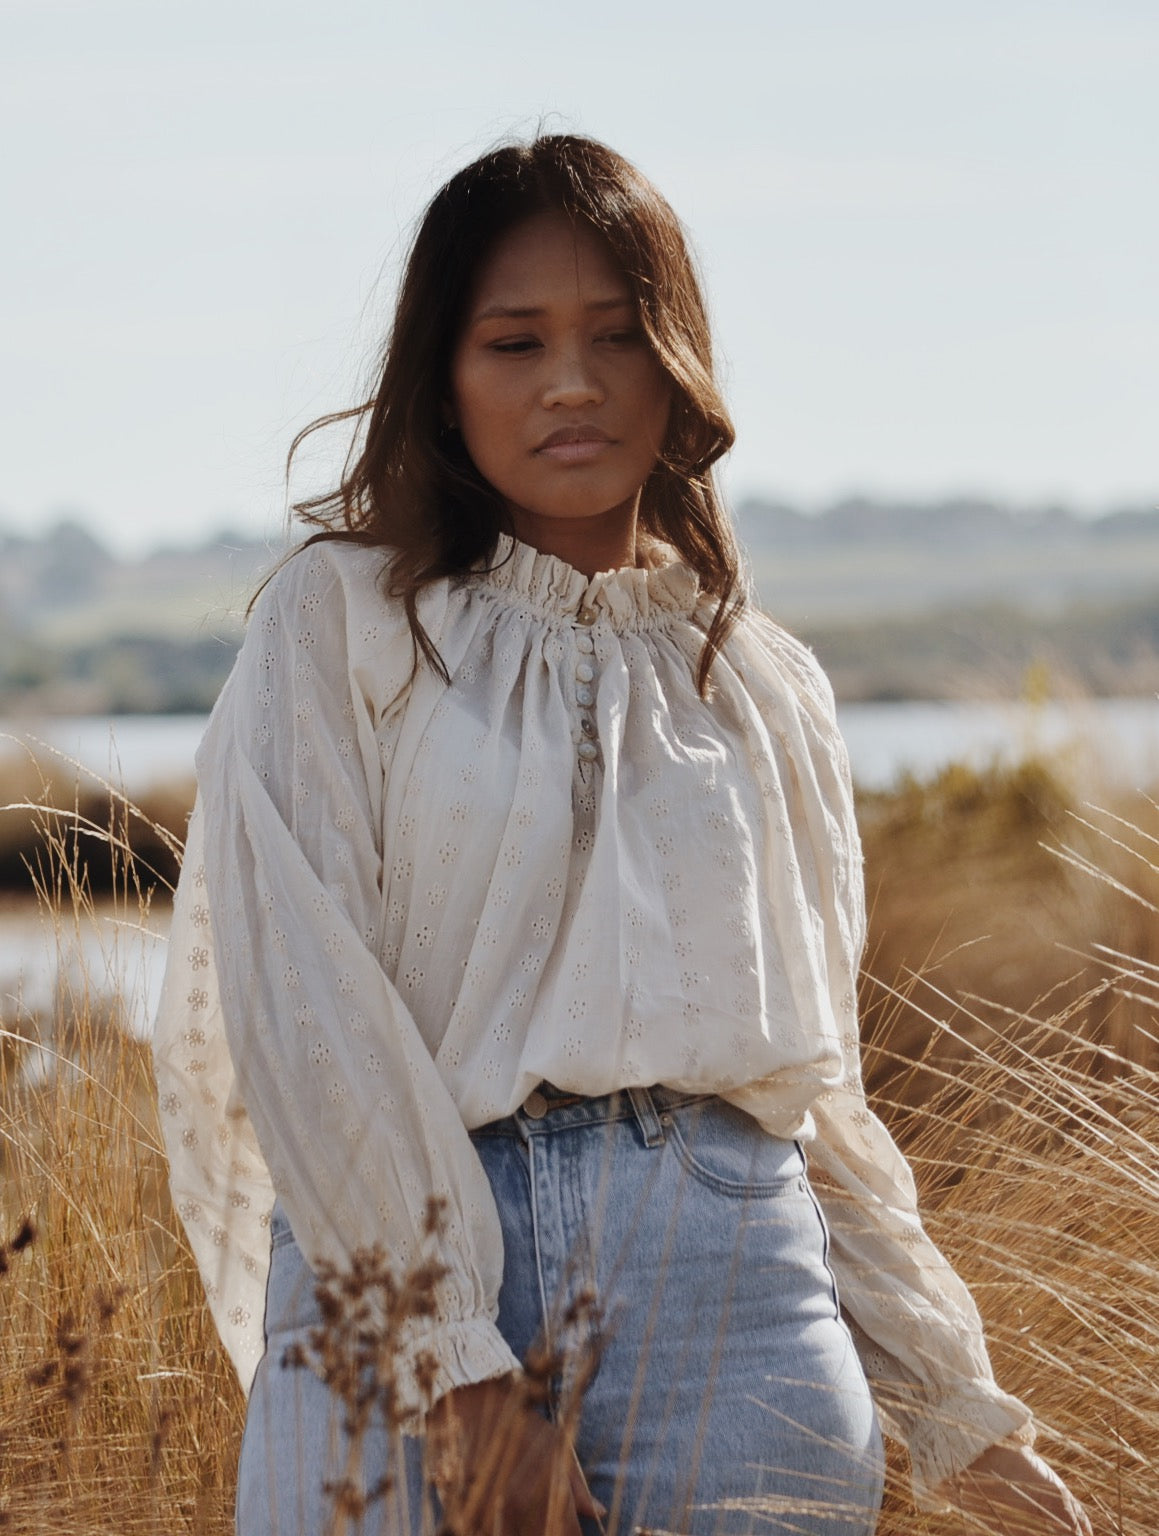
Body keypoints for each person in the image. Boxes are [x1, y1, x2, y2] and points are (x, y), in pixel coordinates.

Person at [153, 135, 1091, 1536]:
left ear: (678, 361)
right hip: (403, 1292)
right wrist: (454, 1376)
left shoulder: (769, 683)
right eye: (515, 342)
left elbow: (816, 1091)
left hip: (740, 1300)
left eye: (616, 336)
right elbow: (303, 1010)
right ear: (444, 373)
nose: (572, 384)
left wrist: (956, 1406)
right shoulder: (339, 626)